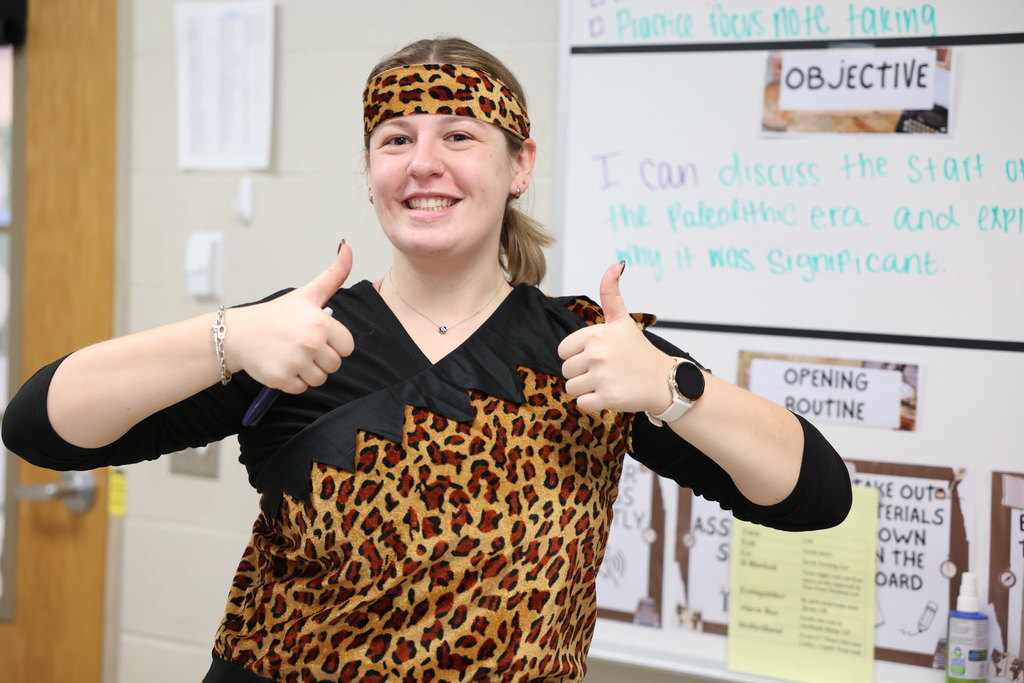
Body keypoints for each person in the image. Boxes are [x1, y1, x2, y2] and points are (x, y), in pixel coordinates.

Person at [2, 37, 851, 682]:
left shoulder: (591, 350)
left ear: (520, 166)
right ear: (370, 172)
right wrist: (225, 334)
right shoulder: (298, 335)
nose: (424, 164)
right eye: (396, 138)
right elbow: (40, 427)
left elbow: (815, 496)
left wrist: (671, 387)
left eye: (458, 135)